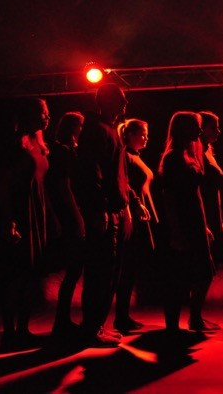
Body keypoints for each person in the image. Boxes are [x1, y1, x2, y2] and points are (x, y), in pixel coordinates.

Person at [73, 83, 150, 347]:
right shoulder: (98, 131)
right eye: (121, 99)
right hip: (103, 212)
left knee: (107, 273)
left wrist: (125, 205)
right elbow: (91, 173)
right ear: (107, 101)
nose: (125, 104)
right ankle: (92, 329)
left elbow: (116, 177)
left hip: (110, 211)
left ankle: (96, 326)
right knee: (100, 272)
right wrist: (99, 209)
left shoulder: (107, 130)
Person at [0, 97, 51, 350]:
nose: (47, 117)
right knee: (16, 274)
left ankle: (23, 330)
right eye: (42, 113)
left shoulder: (40, 144)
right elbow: (4, 185)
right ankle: (9, 333)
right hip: (21, 213)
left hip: (35, 212)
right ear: (30, 115)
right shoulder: (16, 144)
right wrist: (9, 220)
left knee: (30, 274)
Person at [158, 111, 219, 332]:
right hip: (184, 222)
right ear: (183, 128)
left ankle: (194, 318)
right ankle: (173, 326)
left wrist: (203, 225)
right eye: (195, 125)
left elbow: (195, 193)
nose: (199, 130)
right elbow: (169, 196)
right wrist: (176, 231)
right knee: (180, 275)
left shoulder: (189, 154)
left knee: (202, 272)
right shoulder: (173, 157)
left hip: (194, 220)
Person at [113, 118, 160, 333]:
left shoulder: (135, 156)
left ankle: (123, 316)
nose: (146, 137)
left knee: (131, 267)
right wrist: (135, 206)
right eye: (143, 133)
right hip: (132, 216)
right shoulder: (124, 155)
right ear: (130, 135)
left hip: (140, 215)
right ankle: (120, 318)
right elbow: (124, 184)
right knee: (127, 266)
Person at [46, 111, 86, 341]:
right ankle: (61, 321)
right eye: (81, 126)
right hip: (69, 215)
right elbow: (64, 186)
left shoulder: (65, 150)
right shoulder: (63, 152)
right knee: (73, 269)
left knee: (74, 270)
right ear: (73, 128)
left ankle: (63, 320)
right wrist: (77, 216)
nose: (83, 130)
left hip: (69, 213)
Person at [198, 110, 223, 267]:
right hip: (204, 212)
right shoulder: (196, 153)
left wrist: (219, 220)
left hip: (213, 211)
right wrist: (204, 224)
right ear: (202, 129)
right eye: (214, 127)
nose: (218, 131)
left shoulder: (208, 151)